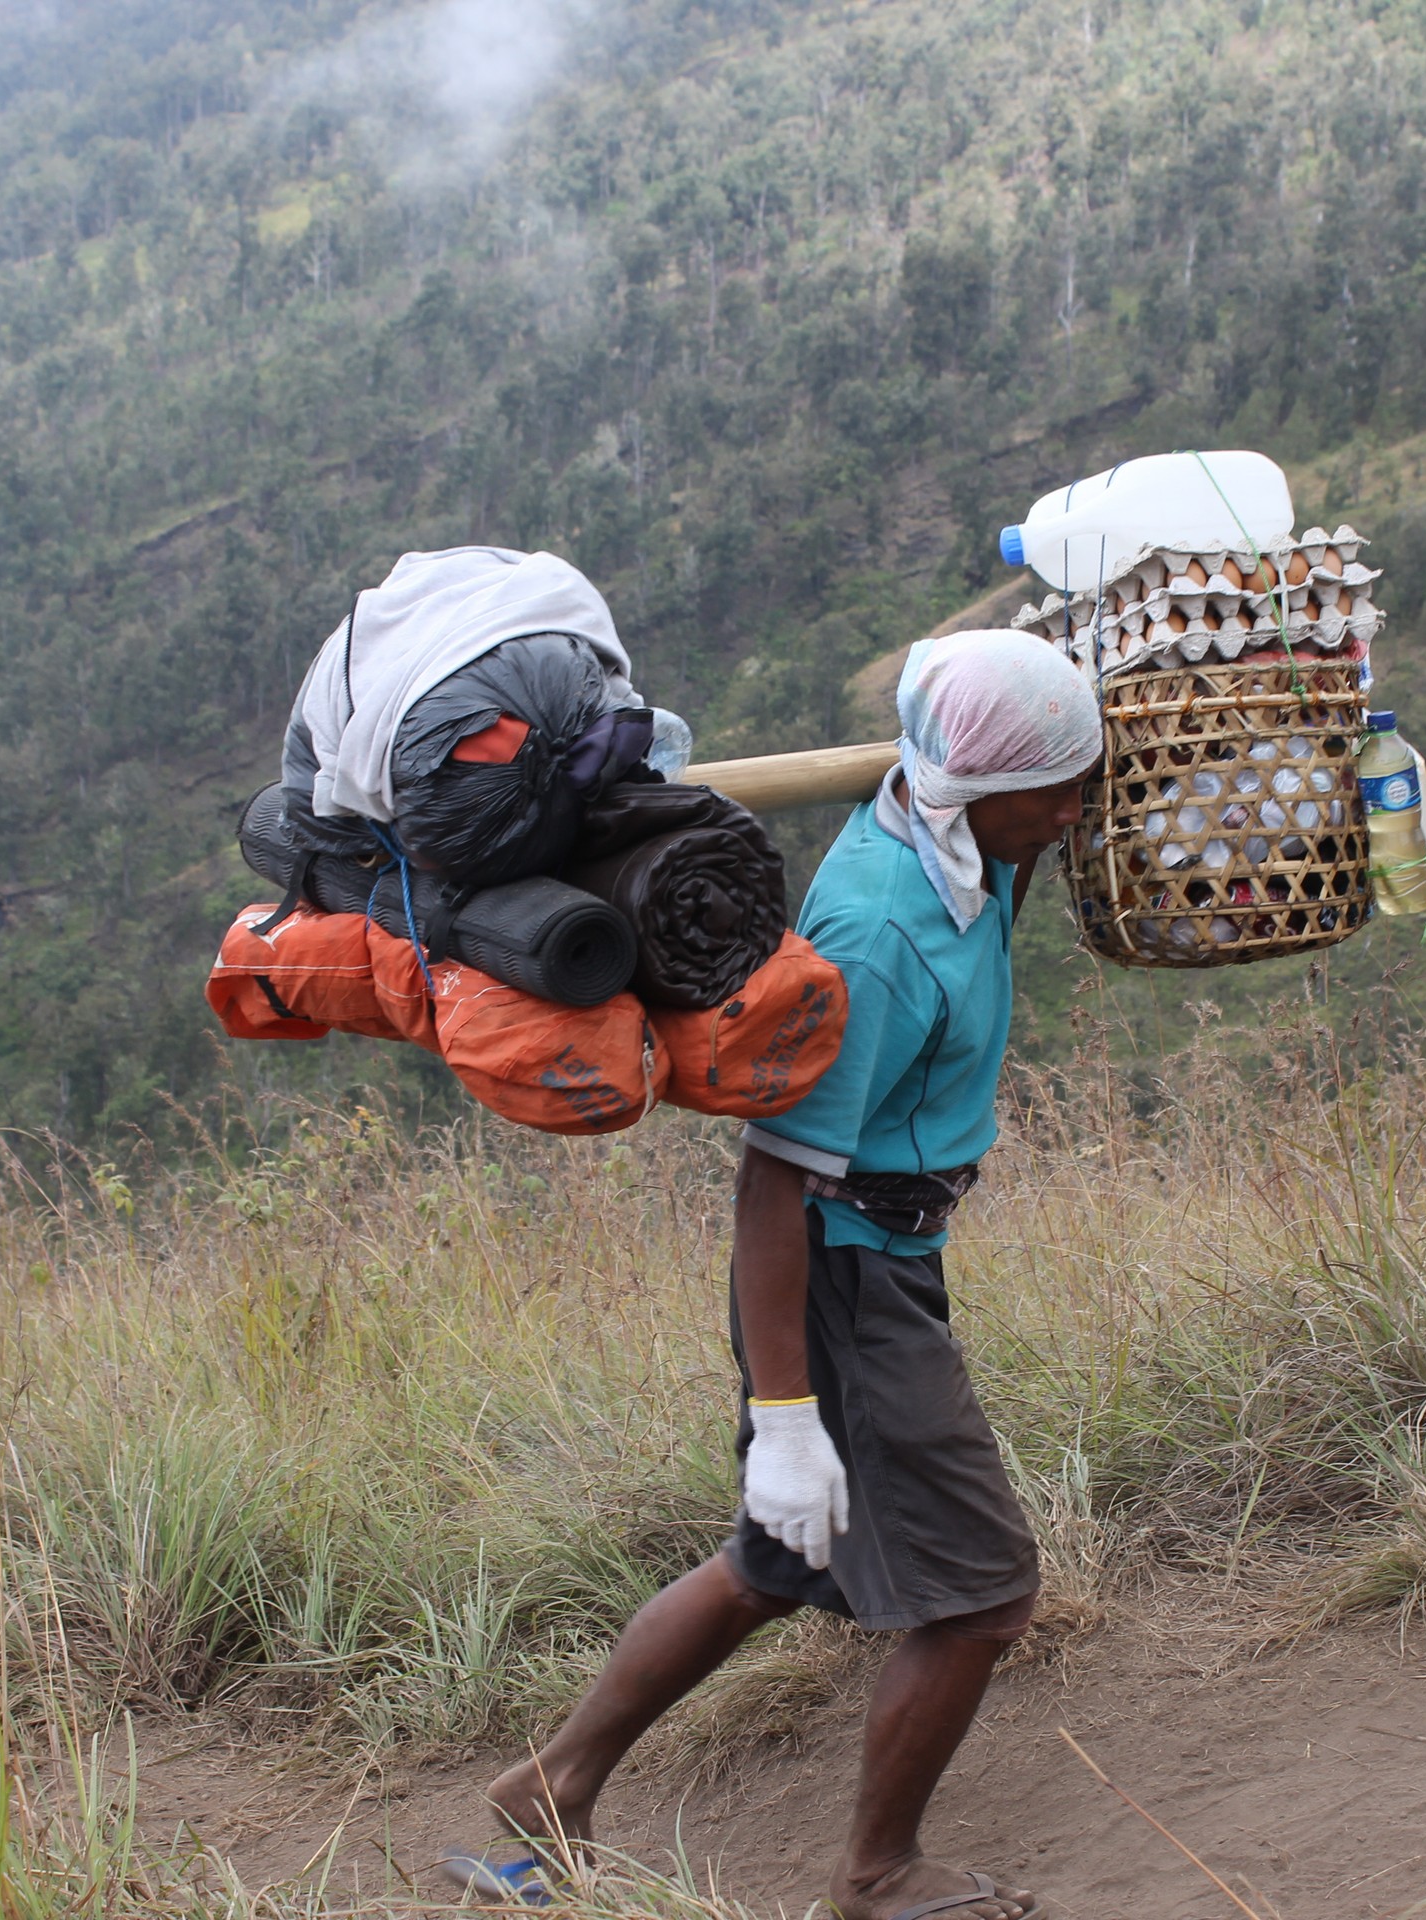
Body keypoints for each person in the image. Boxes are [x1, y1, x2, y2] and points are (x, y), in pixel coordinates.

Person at [451, 628, 1103, 1920]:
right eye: (1067, 790)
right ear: (986, 793)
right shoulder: (873, 935)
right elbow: (773, 1184)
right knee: (983, 1592)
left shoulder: (973, 847)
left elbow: (1044, 793)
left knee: (775, 1564)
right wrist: (789, 1422)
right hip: (844, 1279)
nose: (1083, 813)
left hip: (886, 1258)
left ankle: (553, 1786)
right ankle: (876, 1874)